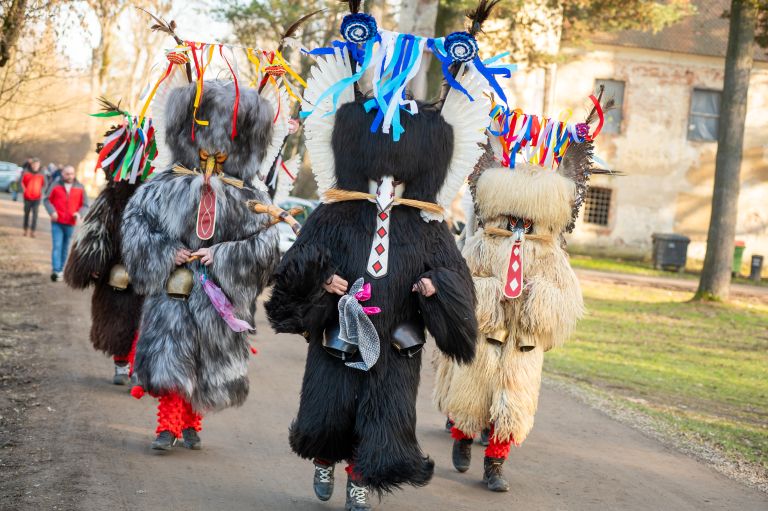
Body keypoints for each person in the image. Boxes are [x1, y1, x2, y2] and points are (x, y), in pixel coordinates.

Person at [264, 3, 509, 507]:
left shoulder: (427, 222)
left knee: (381, 418)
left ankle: (361, 481)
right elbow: (295, 268)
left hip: (396, 338)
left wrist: (435, 287)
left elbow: (454, 276)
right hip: (338, 332)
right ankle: (324, 462)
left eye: (397, 174)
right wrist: (325, 279)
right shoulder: (336, 212)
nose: (387, 183)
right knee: (332, 410)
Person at [433, 95, 610, 491]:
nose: (521, 221)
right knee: (471, 392)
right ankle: (462, 439)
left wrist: (537, 297)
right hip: (486, 329)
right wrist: (492, 293)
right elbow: (465, 280)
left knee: (513, 401)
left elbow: (565, 298)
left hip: (524, 339)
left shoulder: (550, 250)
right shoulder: (484, 241)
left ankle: (495, 464)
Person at [121, 79, 282, 452]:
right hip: (173, 291)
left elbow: (267, 243)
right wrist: (165, 250)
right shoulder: (163, 184)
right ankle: (167, 426)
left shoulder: (251, 194)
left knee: (208, 361)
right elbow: (135, 224)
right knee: (171, 355)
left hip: (221, 295)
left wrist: (223, 255)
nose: (211, 155)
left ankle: (193, 421)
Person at [64, 117, 147, 386]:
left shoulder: (155, 198)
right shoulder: (109, 198)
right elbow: (95, 231)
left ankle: (139, 365)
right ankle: (122, 365)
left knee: (146, 320)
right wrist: (92, 263)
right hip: (116, 270)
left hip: (150, 267)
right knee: (119, 318)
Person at [44, 165, 88, 282]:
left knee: (65, 247)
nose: (70, 176)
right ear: (62, 174)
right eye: (67, 174)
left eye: (72, 173)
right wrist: (52, 211)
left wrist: (79, 214)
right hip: (57, 222)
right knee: (57, 245)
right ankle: (56, 270)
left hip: (70, 223)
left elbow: (85, 205)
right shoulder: (55, 184)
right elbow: (46, 199)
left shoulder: (80, 187)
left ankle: (62, 269)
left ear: (74, 174)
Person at [21, 158, 46, 237]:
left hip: (37, 198)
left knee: (35, 215)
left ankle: (33, 231)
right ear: (31, 165)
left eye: (37, 164)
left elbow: (45, 184)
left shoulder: (42, 174)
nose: (35, 166)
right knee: (26, 214)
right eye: (34, 164)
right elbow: (21, 182)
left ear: (39, 165)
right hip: (27, 197)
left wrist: (41, 192)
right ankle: (25, 230)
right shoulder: (26, 172)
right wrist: (24, 190)